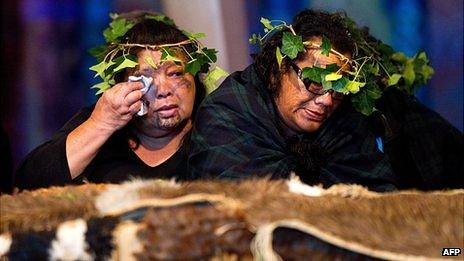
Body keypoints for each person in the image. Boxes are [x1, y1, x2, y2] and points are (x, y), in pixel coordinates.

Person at [188, 9, 463, 191]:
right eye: (314, 82)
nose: (326, 101)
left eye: (339, 89)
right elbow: (234, 201)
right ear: (278, 69)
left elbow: (378, 197)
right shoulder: (229, 111)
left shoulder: (345, 121)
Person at [14, 11, 219, 190]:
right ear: (120, 86)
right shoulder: (101, 121)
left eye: (175, 74)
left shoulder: (216, 125)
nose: (163, 91)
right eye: (145, 78)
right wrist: (103, 124)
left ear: (196, 77)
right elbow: (28, 183)